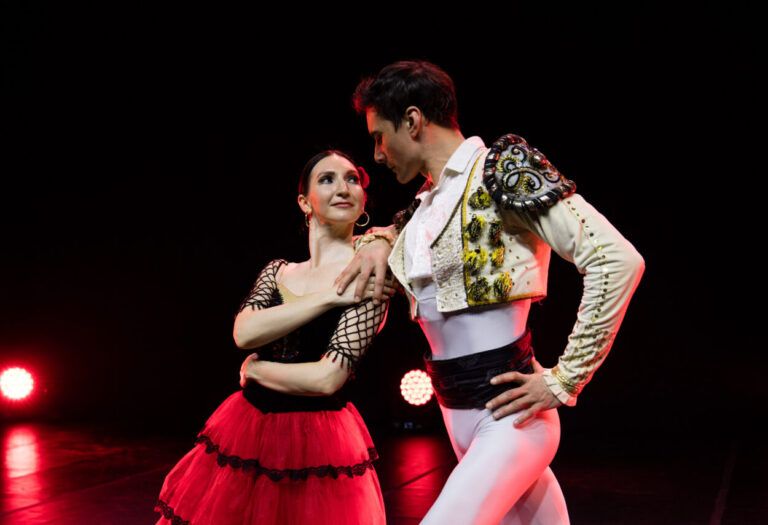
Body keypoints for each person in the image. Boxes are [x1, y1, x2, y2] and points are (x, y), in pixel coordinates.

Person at [338, 60, 645, 524]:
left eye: (379, 136)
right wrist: (381, 238)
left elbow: (617, 259)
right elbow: (398, 234)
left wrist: (565, 379)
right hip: (459, 419)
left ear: (414, 121)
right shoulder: (424, 207)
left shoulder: (501, 169)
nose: (377, 155)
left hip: (511, 423)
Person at [154, 150, 391, 525]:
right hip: (248, 429)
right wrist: (330, 296)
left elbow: (326, 378)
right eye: (327, 179)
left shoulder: (371, 273)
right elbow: (244, 332)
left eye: (352, 179)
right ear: (304, 203)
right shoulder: (278, 272)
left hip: (321, 438)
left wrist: (257, 369)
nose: (344, 188)